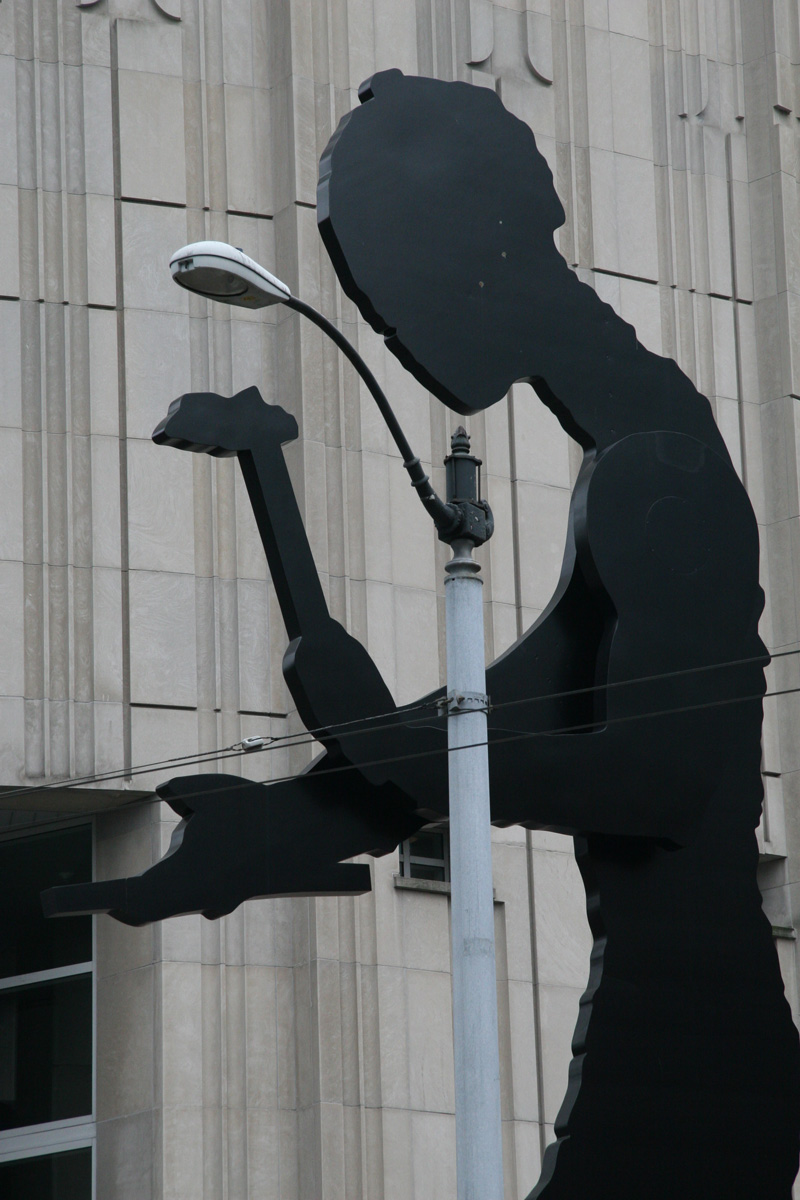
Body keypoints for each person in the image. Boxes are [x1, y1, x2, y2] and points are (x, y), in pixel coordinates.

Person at [46, 69, 800, 1199]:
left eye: (406, 289)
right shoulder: (640, 450)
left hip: (690, 1052)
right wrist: (289, 823)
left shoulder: (662, 469)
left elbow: (660, 781)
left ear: (491, 253)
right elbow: (524, 709)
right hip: (680, 1026)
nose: (401, 333)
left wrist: (381, 743)